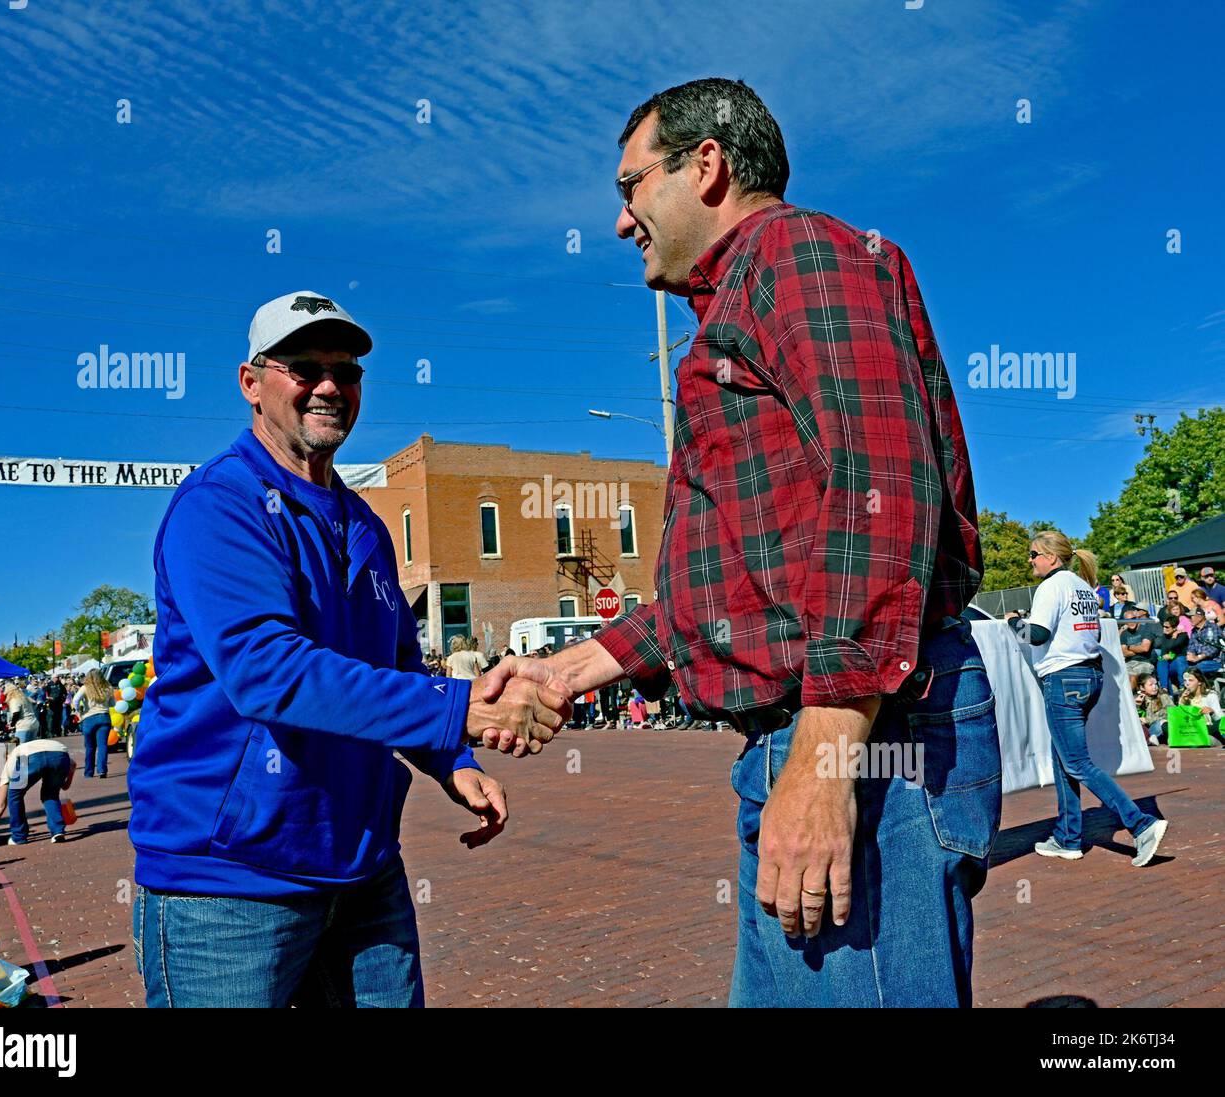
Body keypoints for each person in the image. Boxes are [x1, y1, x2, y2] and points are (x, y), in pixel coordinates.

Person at [480, 78, 1000, 1007]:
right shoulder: (732, 312)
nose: (621, 220)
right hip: (810, 744)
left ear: (707, 164)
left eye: (629, 186)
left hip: (862, 743)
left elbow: (883, 492)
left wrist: (826, 756)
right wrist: (564, 673)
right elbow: (722, 598)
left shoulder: (796, 254)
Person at [127, 289, 570, 1009]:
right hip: (227, 886)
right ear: (252, 382)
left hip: (363, 866)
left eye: (347, 369)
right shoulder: (220, 504)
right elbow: (268, 673)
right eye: (304, 366)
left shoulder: (366, 524)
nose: (330, 384)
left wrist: (450, 761)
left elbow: (395, 670)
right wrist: (464, 709)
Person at [1011, 532, 1167, 866]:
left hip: (1064, 679)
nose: (1030, 559)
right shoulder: (1082, 586)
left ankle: (1141, 825)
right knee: (1064, 760)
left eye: (1033, 553)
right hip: (1089, 676)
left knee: (1077, 763)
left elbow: (1036, 635)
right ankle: (1068, 838)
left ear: (1051, 557)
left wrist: (1014, 623)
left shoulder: (1052, 587)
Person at [0, 737, 75, 845]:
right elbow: (65, 786)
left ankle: (18, 836)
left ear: (6, 757)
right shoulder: (28, 746)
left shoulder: (11, 760)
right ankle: (58, 830)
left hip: (31, 758)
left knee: (15, 795)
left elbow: (1, 805)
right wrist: (70, 774)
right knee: (51, 793)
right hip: (59, 752)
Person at [72, 670, 113, 779]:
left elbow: (75, 700)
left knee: (90, 747)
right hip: (104, 717)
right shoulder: (108, 687)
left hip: (89, 718)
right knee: (102, 745)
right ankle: (102, 770)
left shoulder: (85, 688)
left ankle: (89, 772)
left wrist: (77, 711)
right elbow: (113, 703)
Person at [1178, 668, 1223, 743]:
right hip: (1190, 730)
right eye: (1185, 680)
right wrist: (1182, 703)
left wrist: (1212, 712)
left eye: (1190, 680)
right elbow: (1181, 721)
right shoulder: (1184, 697)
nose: (1187, 684)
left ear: (1199, 682)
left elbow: (1221, 721)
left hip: (1209, 729)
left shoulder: (1210, 695)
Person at [1119, 606, 1158, 689]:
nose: (1131, 622)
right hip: (1129, 663)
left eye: (1133, 618)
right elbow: (1123, 652)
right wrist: (1138, 648)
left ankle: (1132, 700)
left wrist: (1129, 647)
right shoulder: (1124, 634)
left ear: (1137, 618)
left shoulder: (1146, 629)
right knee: (1120, 678)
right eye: (1127, 620)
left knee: (1132, 678)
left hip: (1145, 662)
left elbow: (1145, 648)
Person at [1153, 618, 1189, 694]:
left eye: (1167, 627)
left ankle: (1183, 687)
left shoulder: (1182, 636)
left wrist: (1174, 637)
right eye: (1163, 626)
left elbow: (1173, 647)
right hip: (1171, 664)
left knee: (1179, 659)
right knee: (1160, 660)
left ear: (1175, 628)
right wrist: (1162, 657)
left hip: (1181, 663)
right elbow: (1163, 654)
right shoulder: (1164, 637)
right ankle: (1165, 689)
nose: (1164, 629)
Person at [1185, 607, 1224, 678]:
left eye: (1191, 617)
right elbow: (1191, 646)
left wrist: (1198, 657)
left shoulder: (1212, 628)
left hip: (1214, 661)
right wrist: (1190, 654)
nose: (1189, 619)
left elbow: (1215, 647)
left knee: (1193, 671)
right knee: (1182, 665)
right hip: (1199, 661)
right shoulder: (1194, 631)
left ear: (1200, 617)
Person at [1134, 675, 1172, 745]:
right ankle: (1150, 739)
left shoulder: (1163, 697)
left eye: (1156, 684)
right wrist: (1136, 705)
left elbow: (1170, 713)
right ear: (1142, 687)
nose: (1154, 687)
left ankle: (1172, 738)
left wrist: (1147, 720)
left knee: (1162, 722)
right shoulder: (1137, 699)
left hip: (1162, 728)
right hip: (1146, 731)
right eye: (1150, 685)